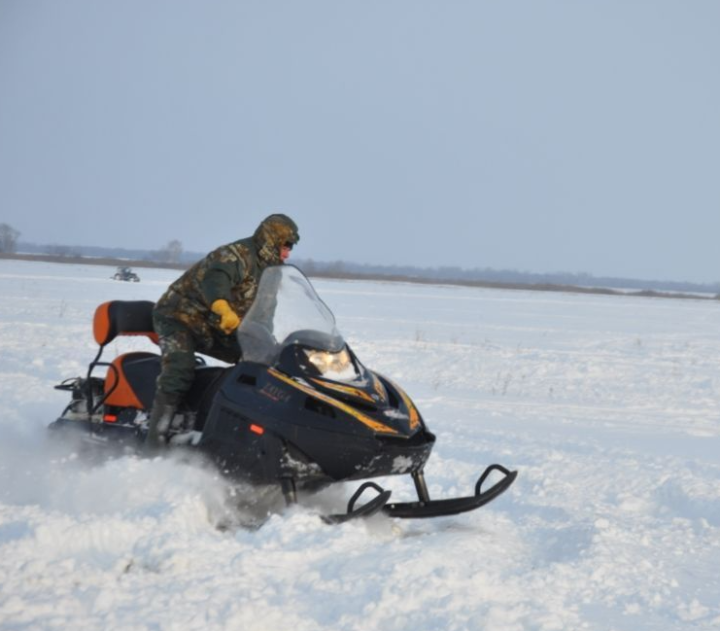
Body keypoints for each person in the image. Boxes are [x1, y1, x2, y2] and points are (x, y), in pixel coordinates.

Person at [145, 213, 300, 449]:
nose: (288, 253)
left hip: (219, 326)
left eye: (291, 247)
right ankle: (154, 442)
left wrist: (263, 342)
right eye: (285, 245)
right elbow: (215, 280)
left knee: (261, 365)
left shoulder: (272, 272)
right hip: (180, 317)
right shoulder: (235, 255)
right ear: (271, 240)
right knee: (179, 370)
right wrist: (222, 307)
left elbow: (265, 311)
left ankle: (242, 432)